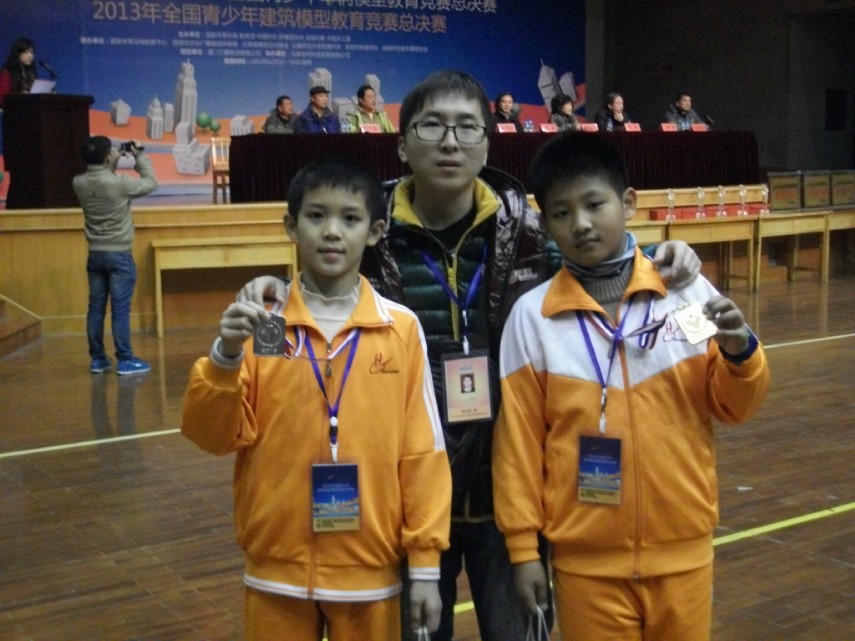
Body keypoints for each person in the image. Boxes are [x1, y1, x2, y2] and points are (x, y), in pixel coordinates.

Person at [237, 70, 702, 641]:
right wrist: (269, 288)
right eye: (432, 126)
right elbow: (319, 285)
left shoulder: (529, 229)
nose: (450, 142)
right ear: (402, 143)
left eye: (466, 127)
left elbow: (601, 255)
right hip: (404, 501)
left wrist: (661, 255)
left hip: (505, 493)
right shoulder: (367, 226)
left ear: (488, 142)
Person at [493, 132, 771, 641]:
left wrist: (739, 353)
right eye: (561, 213)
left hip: (683, 553)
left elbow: (735, 406)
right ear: (545, 223)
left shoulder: (683, 292)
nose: (580, 223)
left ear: (628, 203)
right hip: (585, 566)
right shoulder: (531, 318)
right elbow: (518, 448)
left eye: (594, 204)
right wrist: (523, 550)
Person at [181, 157, 452, 641]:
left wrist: (426, 565)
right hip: (277, 566)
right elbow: (213, 437)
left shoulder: (400, 328)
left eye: (350, 218)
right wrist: (225, 355)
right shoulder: (265, 323)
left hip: (369, 566)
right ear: (291, 226)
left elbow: (423, 453)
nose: (331, 232)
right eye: (316, 216)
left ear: (375, 231)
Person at [73, 136, 157, 376]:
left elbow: (100, 178)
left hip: (95, 254)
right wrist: (139, 157)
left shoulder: (78, 182)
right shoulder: (119, 183)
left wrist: (111, 160)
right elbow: (150, 183)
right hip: (119, 255)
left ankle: (98, 360)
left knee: (96, 308)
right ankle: (125, 359)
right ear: (106, 156)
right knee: (120, 309)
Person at [0, 37, 37, 109]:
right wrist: (20, 95)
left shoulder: (31, 73)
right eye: (26, 52)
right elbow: (2, 97)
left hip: (29, 108)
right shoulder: (7, 72)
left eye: (32, 53)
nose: (30, 56)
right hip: (12, 109)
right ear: (18, 53)